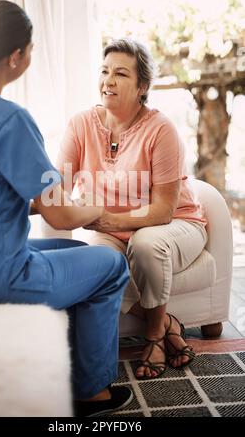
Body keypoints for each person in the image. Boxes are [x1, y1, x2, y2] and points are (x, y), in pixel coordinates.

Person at [0, 1, 133, 417]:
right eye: (30, 49)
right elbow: (61, 216)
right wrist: (93, 208)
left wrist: (49, 202)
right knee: (111, 267)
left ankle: (52, 361)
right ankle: (91, 393)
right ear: (16, 57)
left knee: (75, 255)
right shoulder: (11, 120)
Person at [57, 38, 208, 380]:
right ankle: (167, 322)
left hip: (175, 225)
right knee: (96, 265)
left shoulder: (160, 130)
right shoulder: (80, 125)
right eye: (105, 71)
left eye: (121, 74)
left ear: (142, 86)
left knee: (145, 244)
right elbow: (58, 186)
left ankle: (153, 337)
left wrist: (109, 219)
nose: (108, 80)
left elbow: (163, 211)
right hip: (110, 231)